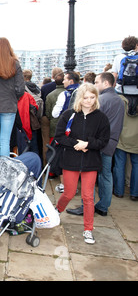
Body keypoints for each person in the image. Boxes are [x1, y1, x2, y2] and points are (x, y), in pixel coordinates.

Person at [55, 83, 110, 244]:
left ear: (96, 98)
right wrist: (76, 144)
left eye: (92, 97)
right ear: (80, 98)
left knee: (88, 197)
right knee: (69, 193)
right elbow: (59, 136)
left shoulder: (101, 118)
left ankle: (88, 229)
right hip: (71, 159)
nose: (89, 101)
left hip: (91, 162)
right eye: (86, 97)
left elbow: (103, 140)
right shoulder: (69, 114)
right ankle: (57, 210)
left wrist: (88, 144)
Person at [67, 72, 124, 216]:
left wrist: (86, 143)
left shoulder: (101, 100)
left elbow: (91, 124)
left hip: (96, 144)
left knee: (89, 175)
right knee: (106, 175)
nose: (95, 85)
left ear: (106, 83)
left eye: (97, 82)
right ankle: (103, 206)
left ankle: (87, 207)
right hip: (111, 143)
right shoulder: (120, 100)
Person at [113, 91, 138, 201]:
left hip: (121, 137)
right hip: (136, 139)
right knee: (136, 166)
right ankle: (134, 193)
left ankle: (119, 192)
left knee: (119, 165)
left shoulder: (120, 99)